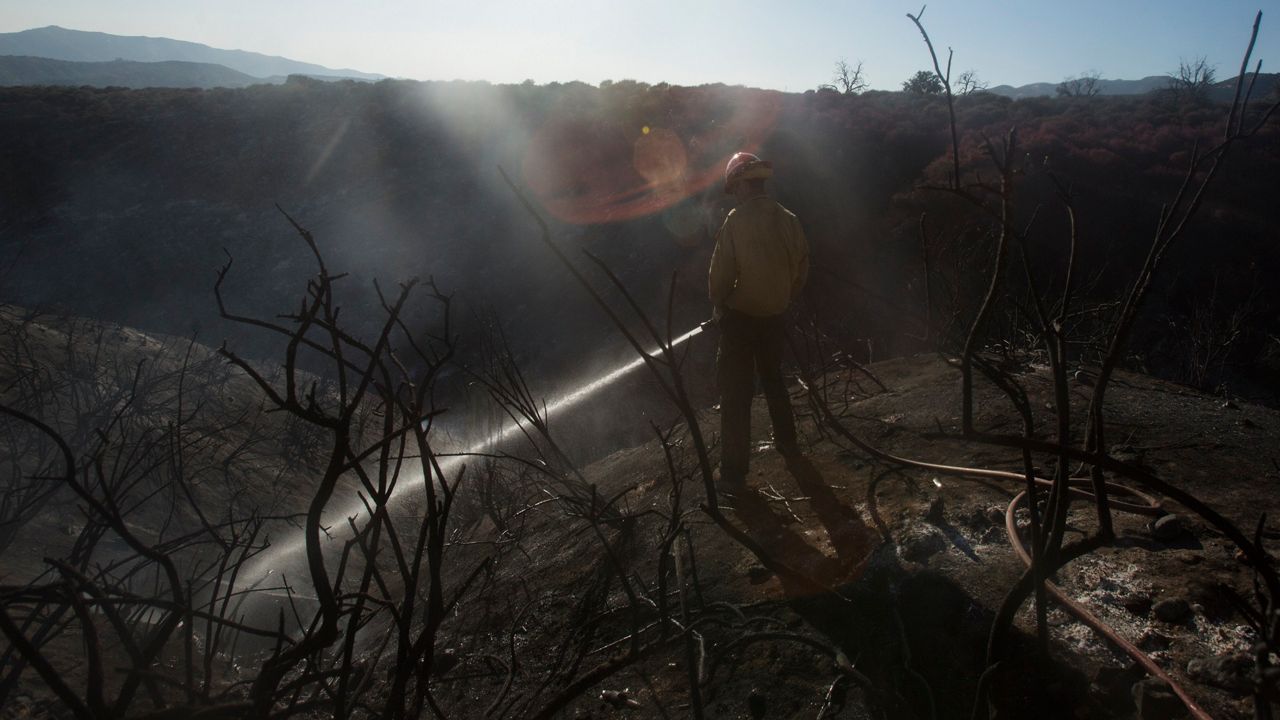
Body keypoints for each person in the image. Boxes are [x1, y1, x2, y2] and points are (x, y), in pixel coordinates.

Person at [708, 151, 809, 490]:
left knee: (736, 392)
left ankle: (734, 472)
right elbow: (800, 271)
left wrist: (720, 306)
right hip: (774, 316)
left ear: (739, 185)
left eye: (734, 187)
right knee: (773, 380)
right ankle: (789, 444)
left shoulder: (735, 221)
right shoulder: (789, 219)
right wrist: (780, 298)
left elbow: (720, 277)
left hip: (740, 321)